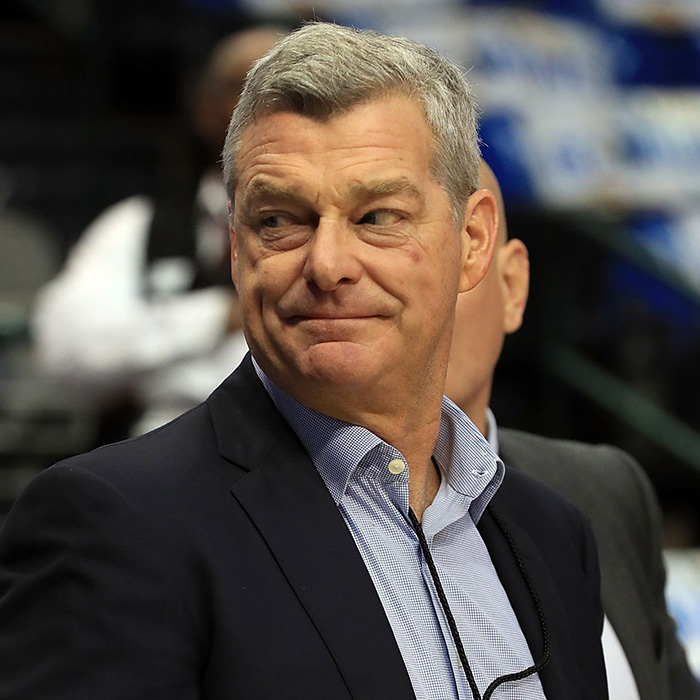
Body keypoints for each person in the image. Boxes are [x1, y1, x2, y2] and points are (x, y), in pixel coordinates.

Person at [0, 24, 607, 699]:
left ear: (473, 241)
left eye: (377, 216)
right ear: (237, 251)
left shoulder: (554, 536)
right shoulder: (113, 523)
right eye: (280, 221)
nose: (327, 265)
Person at [445, 160, 700, 700]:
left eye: (455, 255)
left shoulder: (606, 489)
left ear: (512, 286)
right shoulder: (277, 520)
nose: (421, 294)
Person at [31, 26, 284, 438]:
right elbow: (65, 352)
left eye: (287, 84)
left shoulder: (344, 233)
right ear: (204, 107)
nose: (269, 102)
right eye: (245, 85)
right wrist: (218, 316)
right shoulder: (134, 225)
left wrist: (152, 354)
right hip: (156, 446)